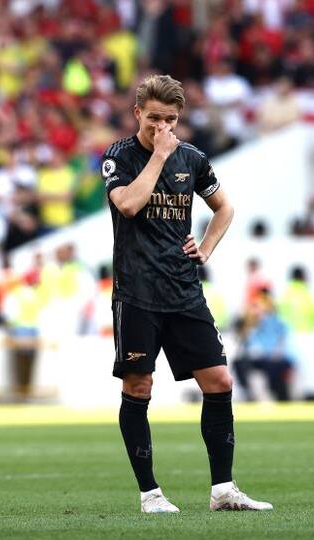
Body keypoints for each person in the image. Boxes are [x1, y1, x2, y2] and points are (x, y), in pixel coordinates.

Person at [102, 74, 272, 513]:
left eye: (171, 120)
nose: (163, 127)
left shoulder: (192, 158)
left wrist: (208, 245)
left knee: (219, 380)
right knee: (139, 386)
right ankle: (150, 494)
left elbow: (225, 207)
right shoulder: (119, 157)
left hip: (183, 290)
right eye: (155, 118)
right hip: (137, 292)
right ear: (138, 113)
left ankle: (223, 490)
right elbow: (128, 205)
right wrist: (158, 155)